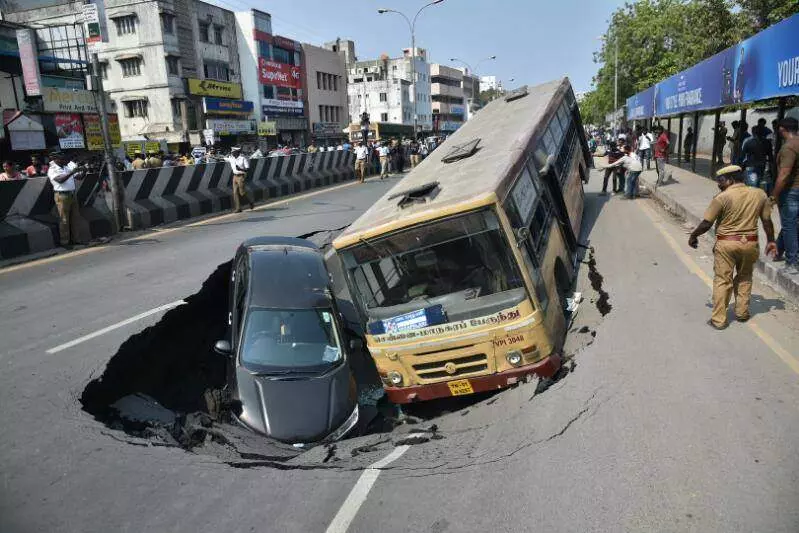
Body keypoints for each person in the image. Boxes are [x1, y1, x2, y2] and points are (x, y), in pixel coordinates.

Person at [688, 165, 777, 329]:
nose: (719, 185)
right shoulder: (759, 194)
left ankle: (719, 320)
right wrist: (771, 241)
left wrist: (693, 236)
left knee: (723, 280)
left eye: (720, 181)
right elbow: (767, 221)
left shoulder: (722, 197)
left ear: (730, 180)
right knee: (745, 277)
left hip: (727, 244)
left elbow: (707, 223)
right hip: (750, 244)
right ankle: (742, 313)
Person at [770, 117, 799, 275]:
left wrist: (774, 195)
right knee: (793, 224)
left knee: (790, 226)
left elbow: (784, 174)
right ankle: (778, 251)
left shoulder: (789, 147)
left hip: (791, 192)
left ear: (782, 129)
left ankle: (792, 262)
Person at [47, 151, 86, 248]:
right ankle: (65, 242)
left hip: (72, 194)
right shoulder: (52, 169)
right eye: (63, 159)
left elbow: (79, 178)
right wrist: (72, 172)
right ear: (56, 160)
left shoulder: (66, 167)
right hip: (62, 196)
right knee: (64, 220)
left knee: (75, 218)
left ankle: (76, 240)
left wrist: (84, 171)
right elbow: (60, 180)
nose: (66, 161)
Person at [226, 146, 253, 213]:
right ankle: (238, 208)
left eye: (233, 152)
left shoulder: (243, 159)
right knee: (235, 193)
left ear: (237, 152)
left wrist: (240, 169)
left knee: (242, 193)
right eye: (232, 152)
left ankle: (250, 202)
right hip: (234, 176)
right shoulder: (231, 159)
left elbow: (248, 169)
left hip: (241, 176)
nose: (232, 153)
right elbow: (223, 158)